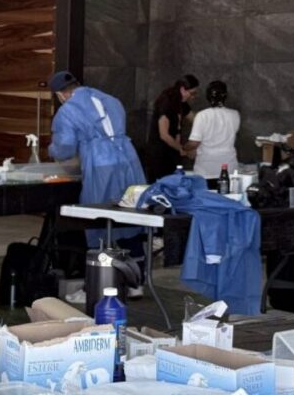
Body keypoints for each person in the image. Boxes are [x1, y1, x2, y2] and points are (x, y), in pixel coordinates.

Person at [48, 70, 146, 291]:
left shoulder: (68, 110)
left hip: (101, 165)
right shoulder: (111, 100)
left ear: (61, 94)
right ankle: (136, 281)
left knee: (97, 219)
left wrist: (51, 149)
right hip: (129, 160)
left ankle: (100, 282)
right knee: (131, 217)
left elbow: (65, 147)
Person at [146, 74, 198, 181]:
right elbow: (164, 135)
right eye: (192, 93)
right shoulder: (166, 102)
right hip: (159, 153)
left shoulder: (182, 103)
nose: (193, 97)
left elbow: (196, 120)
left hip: (172, 151)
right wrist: (181, 149)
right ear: (183, 90)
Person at [185, 80, 239, 178]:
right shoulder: (235, 115)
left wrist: (183, 148)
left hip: (205, 169)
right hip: (229, 167)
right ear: (225, 96)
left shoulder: (202, 116)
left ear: (208, 97)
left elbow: (193, 143)